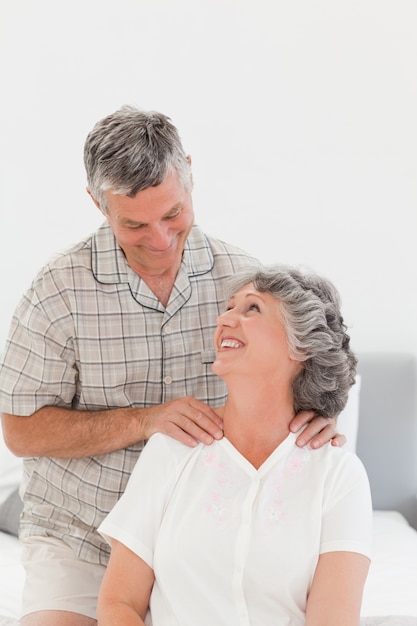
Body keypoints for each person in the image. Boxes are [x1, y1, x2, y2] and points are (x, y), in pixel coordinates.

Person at [0, 106, 343, 626]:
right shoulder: (58, 292)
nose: (159, 240)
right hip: (81, 534)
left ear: (189, 173)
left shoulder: (244, 283)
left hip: (197, 538)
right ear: (98, 203)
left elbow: (298, 368)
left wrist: (319, 416)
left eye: (173, 215)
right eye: (134, 223)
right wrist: (144, 420)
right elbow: (20, 433)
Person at [98, 264, 372, 626]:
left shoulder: (338, 474)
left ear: (300, 346)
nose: (225, 319)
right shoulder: (172, 449)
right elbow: (118, 603)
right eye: (229, 308)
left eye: (251, 308)